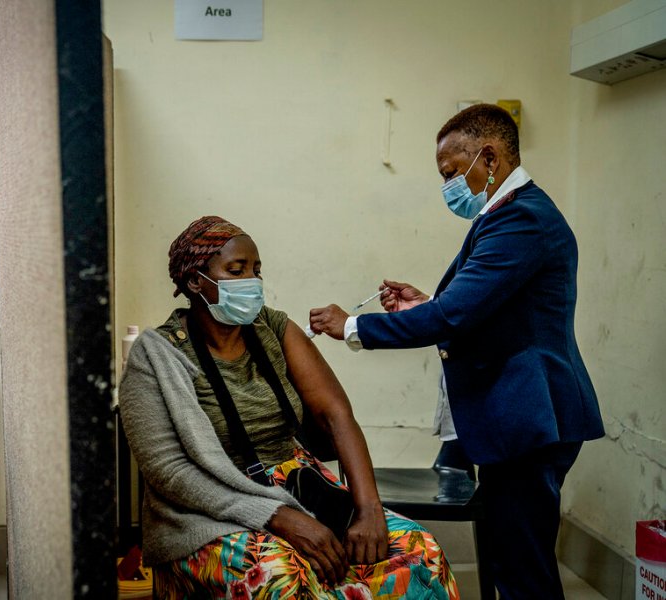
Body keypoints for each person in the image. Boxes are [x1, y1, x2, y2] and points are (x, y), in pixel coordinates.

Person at [309, 103, 605, 599]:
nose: (447, 185)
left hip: (530, 416)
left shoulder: (522, 221)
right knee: (509, 554)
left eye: (451, 173)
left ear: (488, 157)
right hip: (516, 416)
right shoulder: (504, 215)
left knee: (522, 569)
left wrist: (354, 326)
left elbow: (455, 317)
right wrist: (423, 303)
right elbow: (484, 308)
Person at [119, 216, 459, 599]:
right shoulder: (157, 357)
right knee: (282, 576)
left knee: (419, 551)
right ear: (196, 281)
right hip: (211, 509)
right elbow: (171, 474)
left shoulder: (273, 330)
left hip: (296, 487)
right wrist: (277, 517)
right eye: (236, 270)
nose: (252, 281)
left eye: (256, 270)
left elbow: (336, 415)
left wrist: (369, 510)